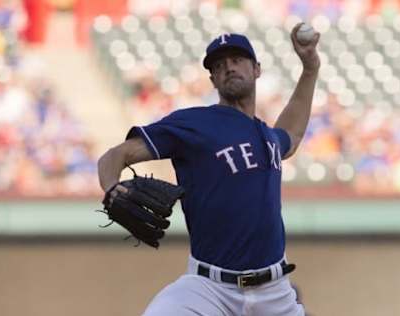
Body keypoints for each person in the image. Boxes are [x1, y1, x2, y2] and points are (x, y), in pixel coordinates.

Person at [97, 23, 320, 316]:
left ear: (257, 69)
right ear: (213, 78)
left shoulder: (268, 137)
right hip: (208, 289)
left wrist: (310, 69)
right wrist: (112, 187)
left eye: (237, 60)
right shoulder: (194, 123)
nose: (229, 67)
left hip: (275, 294)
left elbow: (291, 136)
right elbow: (116, 154)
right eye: (219, 64)